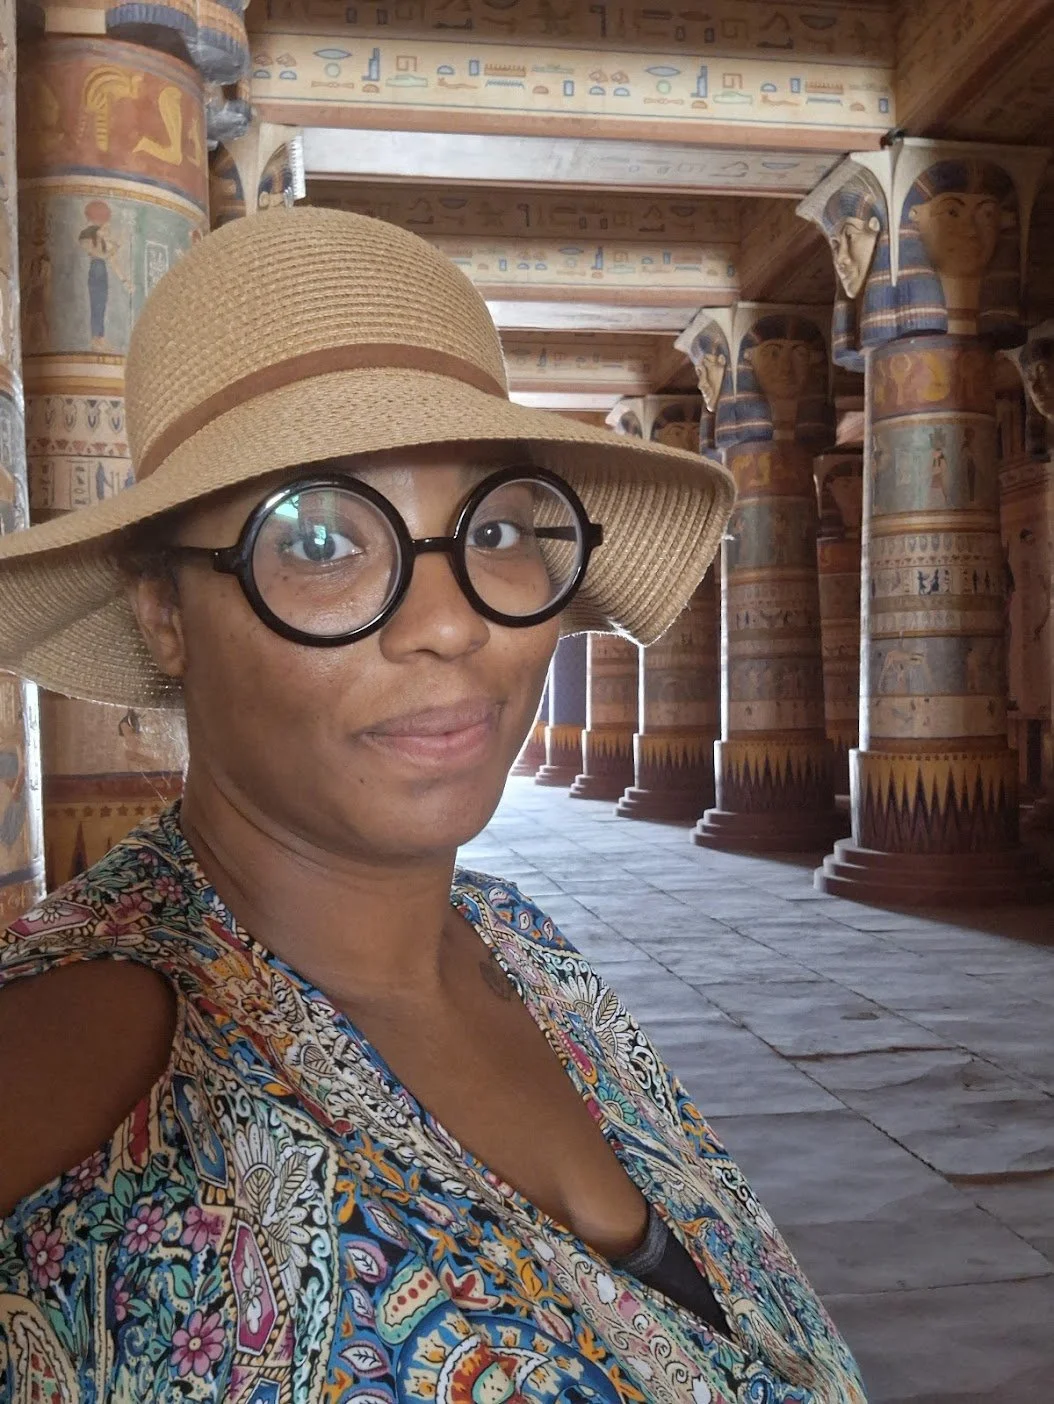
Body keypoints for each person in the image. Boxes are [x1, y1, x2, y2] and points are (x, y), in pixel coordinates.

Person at [0, 208, 866, 1403]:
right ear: (164, 615)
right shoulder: (87, 1060)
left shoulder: (519, 945)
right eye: (319, 541)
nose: (452, 622)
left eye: (494, 529)